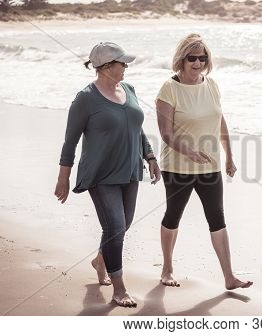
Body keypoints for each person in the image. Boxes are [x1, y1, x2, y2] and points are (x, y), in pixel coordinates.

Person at [54, 42, 161, 307]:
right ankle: (119, 287)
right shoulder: (85, 99)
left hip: (130, 170)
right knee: (114, 227)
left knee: (122, 226)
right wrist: (63, 177)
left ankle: (100, 260)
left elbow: (137, 129)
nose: (126, 67)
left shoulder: (129, 89)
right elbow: (70, 141)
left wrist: (150, 156)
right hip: (100, 175)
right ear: (105, 67)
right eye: (122, 63)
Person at [155, 33, 252, 290]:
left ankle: (229, 277)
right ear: (182, 59)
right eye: (192, 58)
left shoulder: (212, 85)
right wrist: (189, 152)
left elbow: (220, 121)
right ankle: (167, 269)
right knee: (173, 215)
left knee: (217, 218)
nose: (198, 63)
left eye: (202, 57)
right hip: (177, 167)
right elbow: (166, 133)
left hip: (210, 165)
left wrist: (229, 155)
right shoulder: (169, 89)